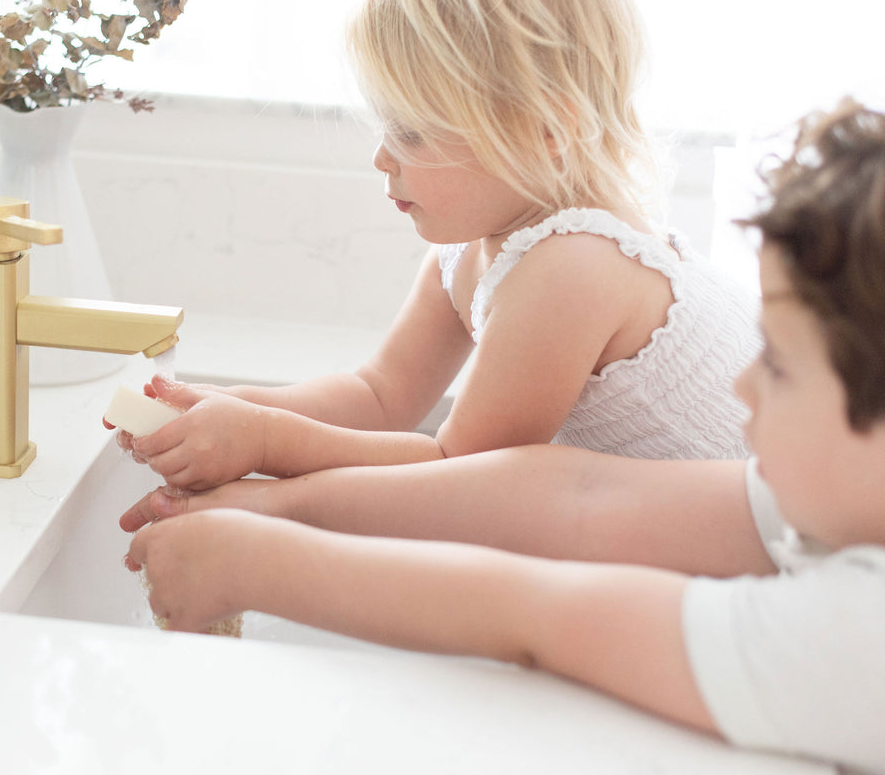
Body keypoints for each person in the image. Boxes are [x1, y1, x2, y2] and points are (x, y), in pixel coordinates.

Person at [125, 100, 885, 774]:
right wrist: (273, 509)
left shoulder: (859, 637)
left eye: (778, 365)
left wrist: (262, 558)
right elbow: (574, 494)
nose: (744, 385)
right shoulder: (835, 495)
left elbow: (536, 614)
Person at [105, 0, 760, 493]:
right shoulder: (471, 249)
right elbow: (380, 394)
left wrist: (265, 439)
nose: (381, 158)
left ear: (546, 131)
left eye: (411, 132)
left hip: (775, 543)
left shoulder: (574, 267)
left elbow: (456, 474)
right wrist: (228, 406)